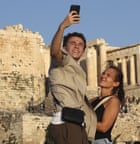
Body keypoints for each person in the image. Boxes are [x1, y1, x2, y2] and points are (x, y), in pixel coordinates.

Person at [48, 10, 96, 144]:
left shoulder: (78, 70)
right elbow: (54, 52)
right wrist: (62, 26)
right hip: (66, 123)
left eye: (80, 44)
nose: (77, 46)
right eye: (72, 43)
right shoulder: (62, 61)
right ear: (64, 47)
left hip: (77, 124)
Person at [90, 65, 125, 144]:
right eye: (103, 73)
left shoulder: (113, 101)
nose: (103, 76)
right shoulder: (92, 100)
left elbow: (104, 127)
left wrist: (84, 121)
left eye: (108, 75)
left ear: (116, 83)